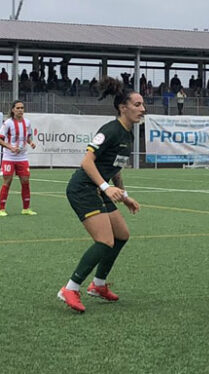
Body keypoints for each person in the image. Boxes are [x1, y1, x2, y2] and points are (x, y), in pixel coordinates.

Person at [57, 77, 142, 313]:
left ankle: (98, 285)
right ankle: (70, 288)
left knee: (122, 235)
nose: (142, 109)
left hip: (100, 189)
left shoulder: (129, 135)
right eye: (137, 104)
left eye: (142, 104)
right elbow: (87, 161)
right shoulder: (110, 130)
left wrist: (124, 196)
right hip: (83, 188)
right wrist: (106, 188)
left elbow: (116, 169)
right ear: (122, 108)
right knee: (105, 241)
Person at [0, 101, 37, 216]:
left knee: (25, 181)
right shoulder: (7, 123)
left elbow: (28, 137)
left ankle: (26, 209)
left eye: (22, 108)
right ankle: (1, 209)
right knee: (7, 182)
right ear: (13, 110)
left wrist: (31, 143)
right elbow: (0, 139)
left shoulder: (27, 122)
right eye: (18, 108)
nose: (20, 110)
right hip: (9, 157)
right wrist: (10, 147)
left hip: (22, 157)